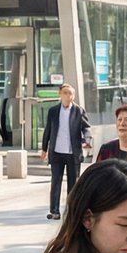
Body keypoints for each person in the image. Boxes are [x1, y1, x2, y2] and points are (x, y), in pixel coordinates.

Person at [39, 83, 90, 220]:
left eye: (71, 94)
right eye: (66, 93)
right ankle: (54, 211)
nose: (69, 96)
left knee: (73, 184)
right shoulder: (53, 111)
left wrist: (87, 140)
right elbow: (48, 131)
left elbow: (86, 127)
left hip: (73, 153)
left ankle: (71, 212)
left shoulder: (79, 111)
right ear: (60, 94)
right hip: (56, 152)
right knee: (55, 182)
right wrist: (44, 149)